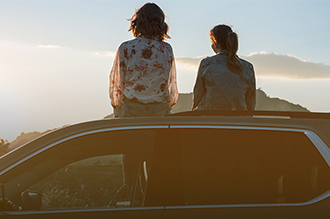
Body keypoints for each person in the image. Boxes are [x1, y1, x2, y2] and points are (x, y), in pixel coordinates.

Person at [109, 3, 178, 118]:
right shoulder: (166, 49)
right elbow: (170, 81)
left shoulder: (126, 47)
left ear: (138, 22)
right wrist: (169, 104)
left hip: (131, 108)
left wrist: (117, 106)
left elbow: (117, 80)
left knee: (134, 136)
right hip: (159, 108)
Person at [192, 24, 256, 111]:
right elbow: (250, 103)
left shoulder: (207, 64)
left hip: (209, 119)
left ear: (215, 44)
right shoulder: (248, 67)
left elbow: (197, 97)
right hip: (238, 120)